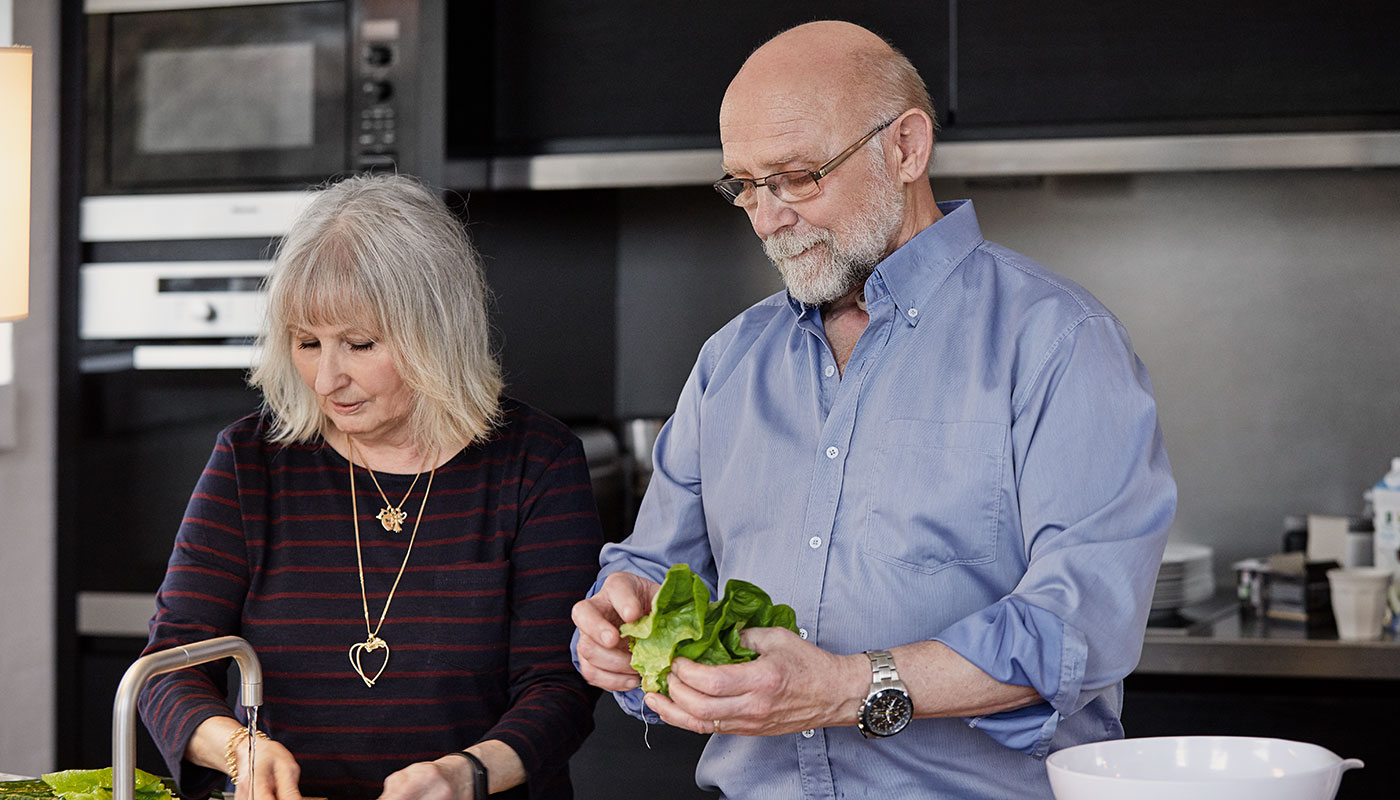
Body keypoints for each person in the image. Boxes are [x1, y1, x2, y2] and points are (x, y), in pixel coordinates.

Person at [571, 20, 1176, 800]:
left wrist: (845, 687)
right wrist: (622, 626)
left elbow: (1078, 624)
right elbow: (654, 566)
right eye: (744, 185)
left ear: (906, 148)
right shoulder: (729, 361)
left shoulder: (1058, 341)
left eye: (796, 175)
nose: (765, 217)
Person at [138, 173, 604, 800]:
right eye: (307, 343)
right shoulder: (251, 461)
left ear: (434, 332)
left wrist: (464, 774)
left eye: (359, 344)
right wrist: (238, 750)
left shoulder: (536, 464)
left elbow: (560, 687)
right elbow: (170, 668)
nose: (327, 378)